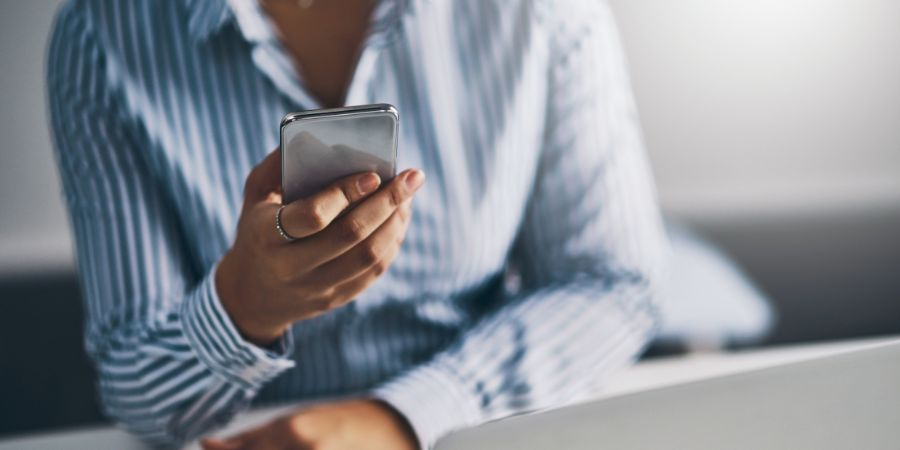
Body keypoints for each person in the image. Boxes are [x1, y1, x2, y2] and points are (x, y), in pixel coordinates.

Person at [47, 0, 668, 448]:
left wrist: (400, 417)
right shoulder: (102, 34)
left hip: (477, 428)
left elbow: (612, 284)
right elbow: (135, 386)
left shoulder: (544, 13)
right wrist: (243, 304)